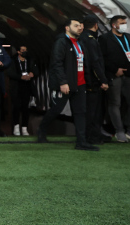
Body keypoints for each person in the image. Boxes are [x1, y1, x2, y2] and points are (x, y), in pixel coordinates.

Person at [36, 19, 99, 151]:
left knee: (80, 112)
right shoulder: (61, 42)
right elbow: (57, 64)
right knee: (56, 110)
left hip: (80, 84)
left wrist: (88, 81)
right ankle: (41, 130)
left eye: (81, 26)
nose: (80, 28)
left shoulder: (81, 42)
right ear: (67, 28)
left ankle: (81, 142)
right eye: (76, 26)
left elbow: (85, 64)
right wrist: (63, 82)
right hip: (65, 85)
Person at [99, 15, 130, 143]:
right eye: (122, 23)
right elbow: (102, 59)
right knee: (115, 104)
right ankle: (119, 131)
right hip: (114, 76)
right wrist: (115, 70)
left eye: (125, 22)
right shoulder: (104, 39)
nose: (125, 25)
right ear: (114, 25)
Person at [80, 15, 110, 145]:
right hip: (92, 81)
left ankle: (93, 134)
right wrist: (103, 80)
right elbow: (95, 62)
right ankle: (91, 136)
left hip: (85, 80)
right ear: (96, 25)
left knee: (89, 111)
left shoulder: (82, 38)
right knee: (93, 111)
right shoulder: (91, 40)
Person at [6, 45, 39, 136]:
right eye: (23, 50)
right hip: (16, 87)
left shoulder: (30, 60)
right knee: (16, 107)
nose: (25, 52)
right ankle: (16, 127)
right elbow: (10, 73)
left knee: (26, 108)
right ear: (18, 52)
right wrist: (20, 77)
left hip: (27, 87)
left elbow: (36, 70)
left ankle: (24, 128)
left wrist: (33, 73)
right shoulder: (13, 61)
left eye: (26, 50)